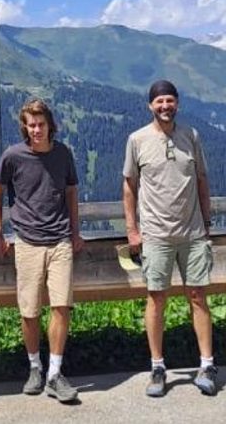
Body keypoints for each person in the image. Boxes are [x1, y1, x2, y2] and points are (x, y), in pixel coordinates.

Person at [123, 79, 217, 398]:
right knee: (156, 299)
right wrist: (132, 230)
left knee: (197, 296)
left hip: (192, 233)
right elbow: (129, 186)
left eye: (170, 101)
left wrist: (206, 222)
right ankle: (157, 367)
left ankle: (206, 365)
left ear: (177, 103)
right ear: (150, 105)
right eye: (159, 101)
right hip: (155, 235)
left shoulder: (191, 136)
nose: (165, 106)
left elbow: (202, 179)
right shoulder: (137, 140)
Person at [0, 98, 84, 403]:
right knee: (29, 311)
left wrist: (75, 231)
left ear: (49, 124)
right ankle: (35, 367)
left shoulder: (62, 153)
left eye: (41, 124)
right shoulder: (13, 156)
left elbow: (71, 191)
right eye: (31, 125)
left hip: (59, 240)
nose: (36, 130)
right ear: (25, 127)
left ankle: (55, 374)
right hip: (27, 240)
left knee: (61, 306)